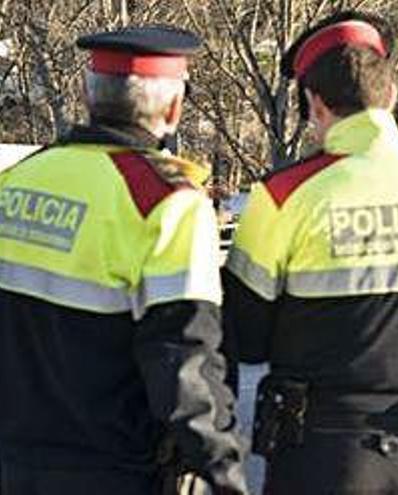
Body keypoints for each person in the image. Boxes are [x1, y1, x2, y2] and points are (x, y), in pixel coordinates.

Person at [223, 10, 398, 494]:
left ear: (315, 105)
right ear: (391, 95)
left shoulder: (282, 197)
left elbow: (244, 337)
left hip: (319, 457)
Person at [0, 26, 247, 494]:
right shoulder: (165, 201)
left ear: (86, 94)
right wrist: (224, 472)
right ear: (174, 108)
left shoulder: (17, 181)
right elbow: (184, 358)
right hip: (113, 470)